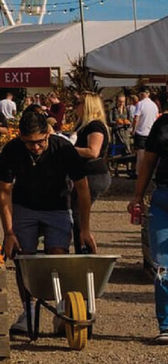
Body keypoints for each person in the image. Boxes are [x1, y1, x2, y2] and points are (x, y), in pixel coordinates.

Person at [0, 109, 95, 334]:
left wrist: (85, 229)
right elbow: (4, 192)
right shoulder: (12, 150)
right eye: (30, 143)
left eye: (40, 142)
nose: (36, 147)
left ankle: (60, 308)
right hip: (24, 206)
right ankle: (27, 310)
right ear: (21, 137)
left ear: (48, 134)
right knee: (23, 258)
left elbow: (83, 187)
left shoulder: (64, 149)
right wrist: (9, 232)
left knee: (58, 255)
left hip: (57, 206)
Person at [128, 91, 168, 342]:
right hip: (163, 197)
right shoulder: (162, 124)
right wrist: (138, 196)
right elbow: (149, 162)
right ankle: (166, 325)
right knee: (163, 266)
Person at [70, 92, 111, 251]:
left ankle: (85, 248)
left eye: (79, 103)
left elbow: (93, 151)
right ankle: (82, 248)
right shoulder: (84, 126)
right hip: (86, 174)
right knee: (76, 211)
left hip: (94, 175)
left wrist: (70, 149)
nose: (76, 107)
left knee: (78, 212)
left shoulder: (95, 126)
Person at [133, 87, 160, 152]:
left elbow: (136, 119)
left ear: (141, 94)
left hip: (141, 133)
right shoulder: (154, 105)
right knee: (150, 153)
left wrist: (133, 130)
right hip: (151, 133)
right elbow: (156, 118)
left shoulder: (140, 104)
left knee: (140, 153)